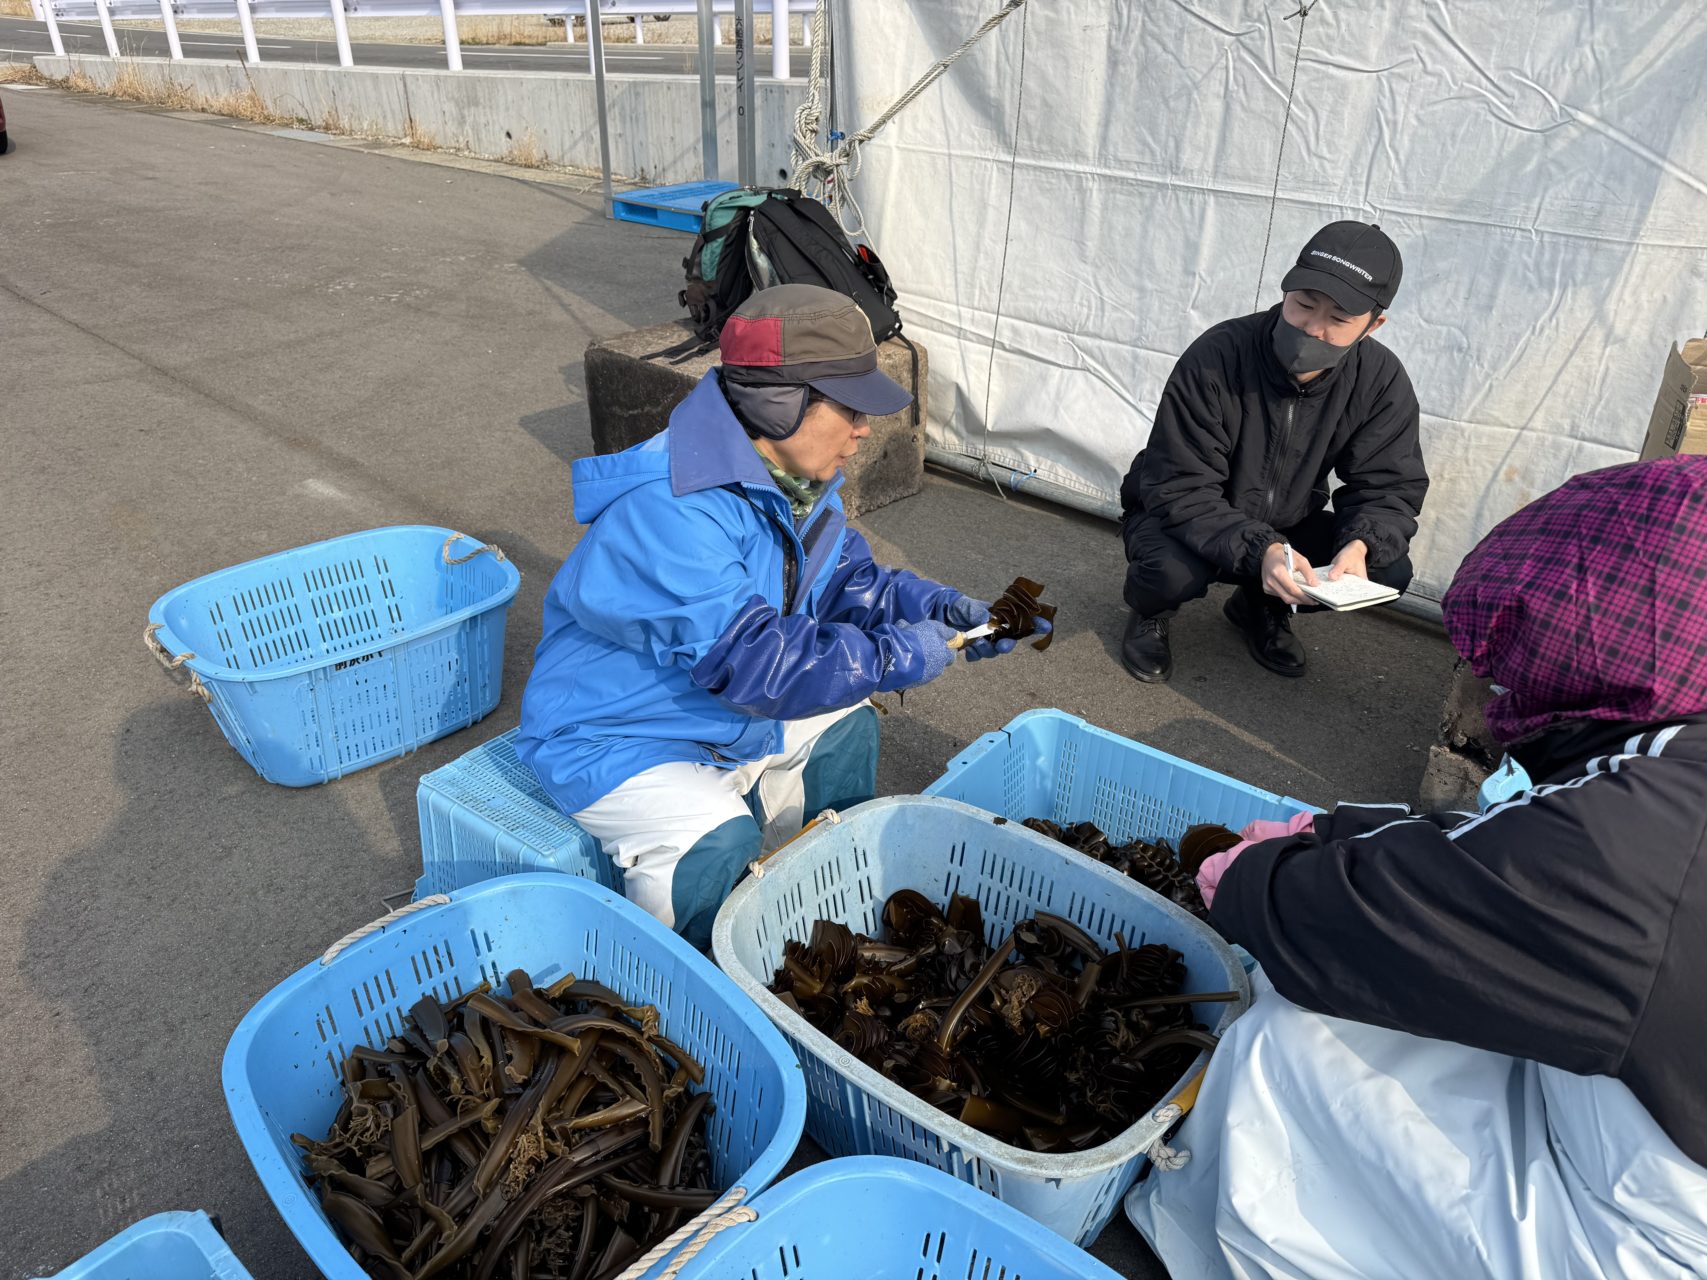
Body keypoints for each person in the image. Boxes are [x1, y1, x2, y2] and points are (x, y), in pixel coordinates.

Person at [1128, 456, 1707, 1279]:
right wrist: (1333, 830)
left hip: (1647, 1225)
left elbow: (1348, 927)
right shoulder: (1673, 759)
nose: (1499, 677)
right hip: (1629, 1092)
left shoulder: (1640, 836)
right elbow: (1509, 846)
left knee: (1288, 1041)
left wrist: (1258, 880)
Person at [517, 284, 1049, 948]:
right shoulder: (669, 509)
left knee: (843, 730)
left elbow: (847, 582)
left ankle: (810, 907)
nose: (863, 431)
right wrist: (894, 656)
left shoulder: (794, 484)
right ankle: (696, 975)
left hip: (719, 711)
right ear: (778, 403)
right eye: (850, 409)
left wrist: (939, 608)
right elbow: (757, 664)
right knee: (712, 839)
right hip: (617, 733)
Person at [1118, 221, 1429, 682]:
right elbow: (1180, 486)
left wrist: (1360, 543)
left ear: (1372, 325)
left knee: (1388, 569)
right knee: (1170, 572)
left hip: (1288, 518)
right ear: (1287, 289)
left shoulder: (1380, 379)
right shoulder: (1217, 355)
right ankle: (1151, 611)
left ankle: (1259, 605)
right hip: (1183, 514)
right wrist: (1263, 547)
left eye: (1339, 320)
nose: (1313, 328)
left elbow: (1390, 485)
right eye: (1304, 303)